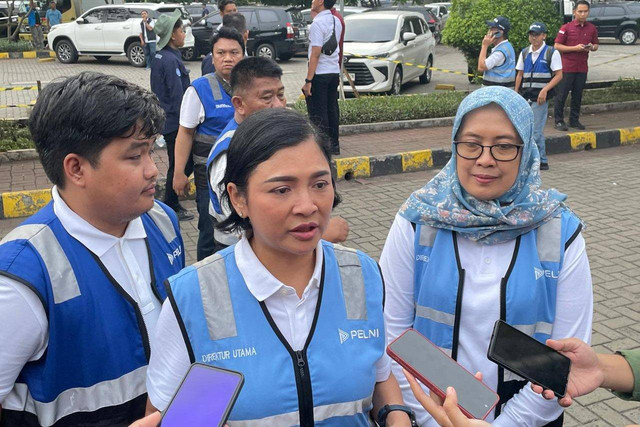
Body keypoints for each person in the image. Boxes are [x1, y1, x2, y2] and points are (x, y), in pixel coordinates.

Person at [147, 108, 412, 426]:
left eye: (319, 184)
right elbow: (169, 417)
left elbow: (380, 375)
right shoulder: (192, 296)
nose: (307, 206)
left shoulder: (362, 273)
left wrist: (395, 413)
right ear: (238, 198)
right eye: (282, 189)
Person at [380, 86, 593, 426]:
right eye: (471, 143)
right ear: (455, 146)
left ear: (527, 151)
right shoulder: (417, 220)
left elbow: (567, 356)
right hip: (428, 415)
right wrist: (434, 419)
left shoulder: (560, 231)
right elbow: (391, 332)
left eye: (505, 146)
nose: (485, 159)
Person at [0, 72, 185, 426]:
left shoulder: (161, 219)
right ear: (76, 168)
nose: (153, 170)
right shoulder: (21, 277)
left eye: (151, 151)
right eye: (135, 156)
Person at [206, 56, 349, 251]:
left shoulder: (269, 137)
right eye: (267, 98)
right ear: (239, 104)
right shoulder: (227, 153)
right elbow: (238, 225)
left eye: (280, 95)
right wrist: (322, 234)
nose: (278, 105)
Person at [173, 27, 243, 261]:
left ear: (243, 54)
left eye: (234, 52)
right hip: (208, 179)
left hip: (244, 176)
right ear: (212, 58)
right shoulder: (199, 89)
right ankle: (205, 278)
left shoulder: (251, 85)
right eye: (221, 53)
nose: (228, 58)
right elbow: (184, 133)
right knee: (208, 233)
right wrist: (179, 173)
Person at [150, 11, 194, 222]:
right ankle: (172, 204)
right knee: (180, 164)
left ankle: (172, 201)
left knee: (178, 163)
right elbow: (178, 97)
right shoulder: (169, 60)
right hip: (176, 122)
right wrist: (189, 123)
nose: (183, 34)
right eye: (180, 30)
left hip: (168, 121)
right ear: (172, 35)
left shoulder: (161, 56)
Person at [515, 22, 563, 171]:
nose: (534, 37)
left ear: (544, 36)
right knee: (524, 130)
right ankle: (536, 160)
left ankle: (539, 160)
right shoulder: (524, 53)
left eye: (537, 34)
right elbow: (520, 74)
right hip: (525, 97)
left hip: (540, 99)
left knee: (536, 131)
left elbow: (559, 75)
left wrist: (545, 90)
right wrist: (516, 93)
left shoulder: (551, 52)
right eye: (531, 34)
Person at [303, 0, 343, 155]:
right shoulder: (336, 20)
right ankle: (334, 145)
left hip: (320, 73)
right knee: (332, 108)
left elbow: (316, 53)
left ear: (320, 1)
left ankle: (322, 147)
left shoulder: (317, 23)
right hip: (333, 71)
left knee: (320, 112)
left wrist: (308, 80)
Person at [554, 0, 598, 131]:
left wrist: (591, 47)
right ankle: (559, 120)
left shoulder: (592, 28)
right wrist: (575, 48)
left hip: (582, 68)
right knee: (562, 94)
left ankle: (574, 120)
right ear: (574, 12)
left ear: (588, 12)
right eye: (580, 11)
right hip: (567, 67)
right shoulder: (566, 28)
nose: (583, 14)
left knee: (577, 95)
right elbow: (557, 46)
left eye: (585, 11)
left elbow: (596, 44)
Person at [478, 16, 515, 88]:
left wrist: (484, 46)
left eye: (492, 29)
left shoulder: (500, 52)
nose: (489, 31)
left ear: (500, 33)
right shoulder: (507, 46)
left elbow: (481, 67)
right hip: (499, 92)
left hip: (496, 94)